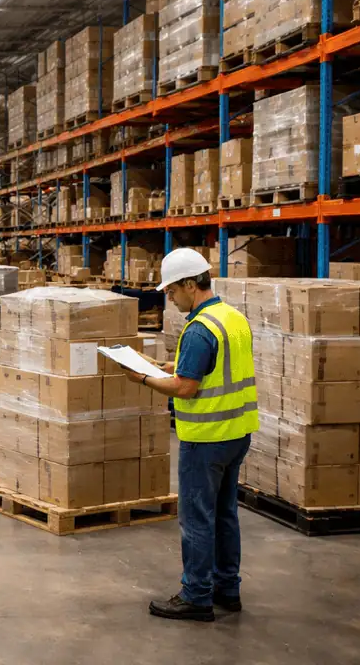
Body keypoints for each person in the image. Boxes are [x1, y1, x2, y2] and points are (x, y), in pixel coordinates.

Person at [122, 248, 258, 623]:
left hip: (206, 437)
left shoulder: (199, 329)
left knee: (197, 517)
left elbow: (186, 388)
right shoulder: (232, 318)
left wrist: (144, 378)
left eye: (170, 290)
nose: (169, 297)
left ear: (188, 284)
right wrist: (161, 364)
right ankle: (226, 588)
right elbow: (212, 369)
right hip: (237, 434)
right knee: (225, 513)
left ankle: (196, 594)